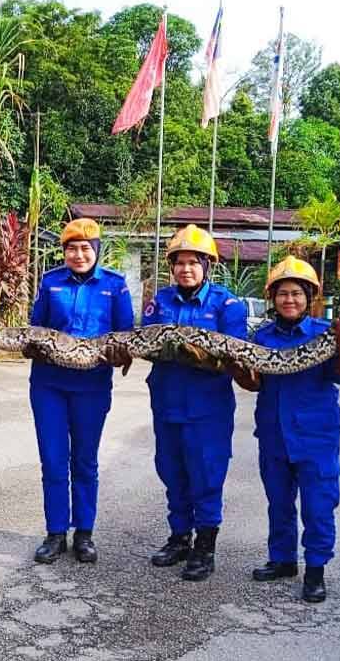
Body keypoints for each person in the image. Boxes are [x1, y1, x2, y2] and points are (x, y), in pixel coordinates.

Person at [235, 256, 340, 603]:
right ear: (272, 299)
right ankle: (282, 560)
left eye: (296, 293)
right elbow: (255, 383)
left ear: (310, 297)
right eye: (282, 294)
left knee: (318, 505)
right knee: (278, 502)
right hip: (273, 434)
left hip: (316, 437)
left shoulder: (327, 333)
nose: (289, 300)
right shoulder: (259, 337)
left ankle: (316, 570)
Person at [133, 224, 248, 582]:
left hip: (208, 407)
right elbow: (144, 342)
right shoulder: (160, 301)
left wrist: (202, 357)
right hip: (167, 401)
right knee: (172, 471)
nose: (186, 269)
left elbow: (237, 354)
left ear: (207, 265)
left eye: (193, 263)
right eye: (179, 263)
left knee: (206, 474)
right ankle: (180, 538)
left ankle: (205, 546)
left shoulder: (227, 305)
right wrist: (157, 350)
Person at [25, 218, 134, 564]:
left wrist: (121, 353)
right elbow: (34, 330)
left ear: (97, 251)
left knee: (85, 460)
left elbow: (125, 336)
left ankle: (84, 532)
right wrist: (32, 346)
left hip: (92, 386)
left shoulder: (115, 286)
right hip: (49, 385)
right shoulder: (50, 282)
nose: (79, 254)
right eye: (72, 248)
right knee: (53, 460)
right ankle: (56, 533)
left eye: (86, 248)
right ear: (64, 252)